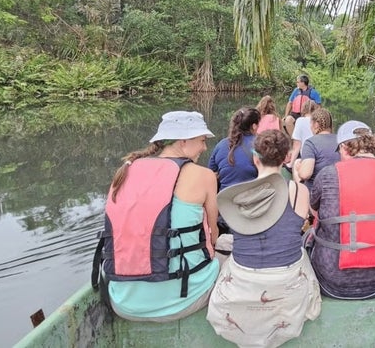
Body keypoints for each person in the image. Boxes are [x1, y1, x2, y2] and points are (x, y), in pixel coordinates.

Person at [92, 111, 220, 321]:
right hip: (182, 299)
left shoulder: (124, 171)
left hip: (122, 302)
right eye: (202, 140)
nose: (205, 147)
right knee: (231, 261)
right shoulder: (203, 175)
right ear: (183, 141)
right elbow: (213, 237)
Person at [207, 129, 321, 347]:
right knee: (302, 251)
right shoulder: (299, 191)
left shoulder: (236, 196)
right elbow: (299, 223)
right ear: (286, 157)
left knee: (223, 245)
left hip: (244, 279)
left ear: (255, 158)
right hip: (285, 278)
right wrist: (296, 175)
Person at [308, 120, 375, 300]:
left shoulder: (328, 174)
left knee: (307, 239)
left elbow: (314, 209)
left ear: (343, 147)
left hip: (332, 282)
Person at [209, 107, 260, 191]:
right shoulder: (260, 144)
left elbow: (212, 174)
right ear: (254, 126)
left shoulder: (220, 145)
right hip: (252, 198)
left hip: (224, 198)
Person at [293, 108, 340, 191]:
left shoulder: (310, 143)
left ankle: (301, 200)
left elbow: (305, 174)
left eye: (310, 123)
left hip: (316, 193)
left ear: (316, 124)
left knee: (297, 163)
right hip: (338, 189)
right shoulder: (341, 141)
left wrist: (299, 168)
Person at [286, 99, 315, 167]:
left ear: (303, 109)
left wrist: (291, 164)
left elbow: (297, 145)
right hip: (318, 155)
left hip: (306, 157)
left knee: (297, 162)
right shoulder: (318, 121)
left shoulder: (300, 121)